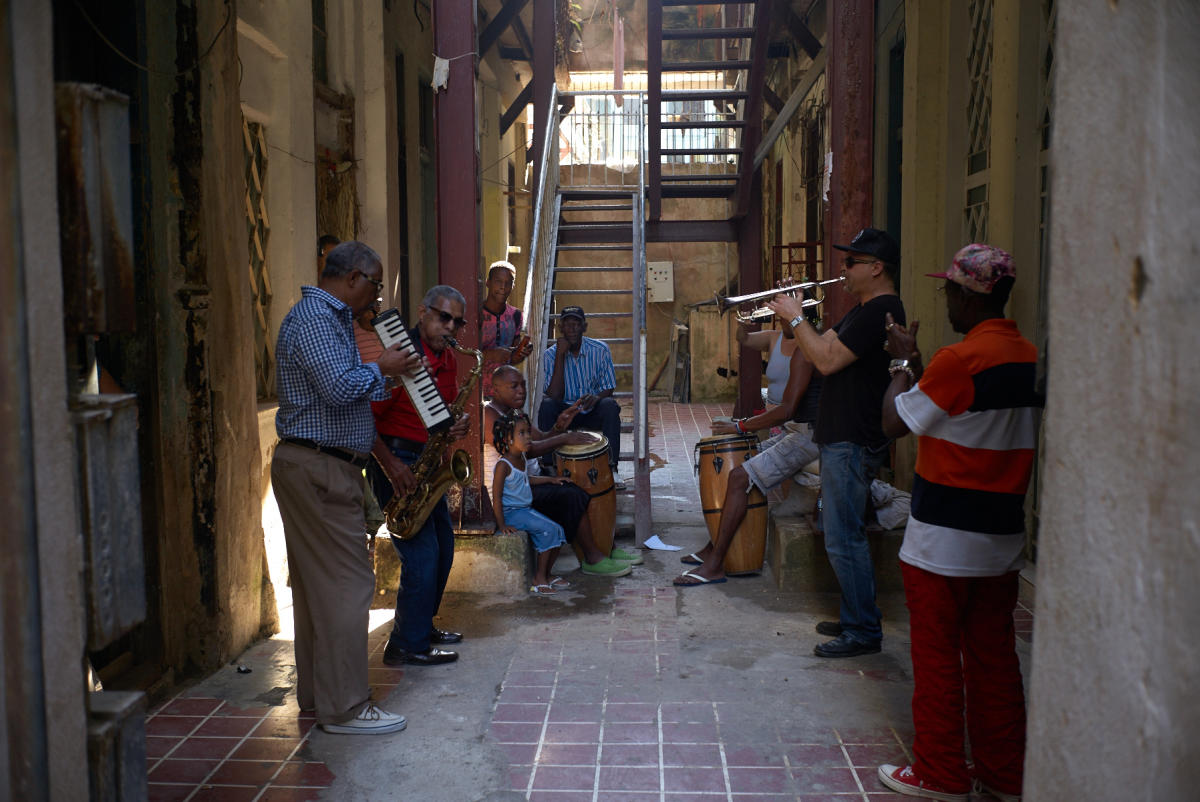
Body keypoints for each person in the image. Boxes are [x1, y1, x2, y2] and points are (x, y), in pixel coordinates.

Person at [875, 245, 1038, 802]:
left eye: (949, 290)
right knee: (995, 659)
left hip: (943, 540)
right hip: (1001, 537)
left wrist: (900, 363)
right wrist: (920, 365)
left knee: (938, 659)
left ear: (971, 297)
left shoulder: (960, 359)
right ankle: (1004, 773)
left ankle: (941, 773)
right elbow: (954, 409)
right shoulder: (1026, 357)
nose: (944, 298)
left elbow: (895, 422)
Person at [271, 240, 422, 735]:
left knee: (319, 591)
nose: (377, 297)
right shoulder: (316, 318)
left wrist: (391, 377)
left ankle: (320, 696)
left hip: (322, 465)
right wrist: (383, 367)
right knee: (348, 587)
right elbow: (339, 386)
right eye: (376, 285)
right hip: (318, 468)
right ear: (354, 278)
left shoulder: (331, 320)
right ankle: (347, 708)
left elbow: (349, 391)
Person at [767, 227, 906, 658]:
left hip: (852, 438)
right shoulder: (861, 310)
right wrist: (795, 316)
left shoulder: (881, 309)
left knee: (844, 537)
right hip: (840, 436)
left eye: (851, 262)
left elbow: (826, 361)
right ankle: (855, 615)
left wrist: (794, 317)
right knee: (842, 533)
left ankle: (864, 630)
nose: (842, 269)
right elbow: (816, 347)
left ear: (876, 267)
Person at [366, 285, 472, 667]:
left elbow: (439, 414)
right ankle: (405, 646)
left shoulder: (449, 360)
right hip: (394, 462)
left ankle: (419, 626)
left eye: (457, 322)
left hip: (425, 463)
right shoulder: (400, 358)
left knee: (443, 549)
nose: (451, 327)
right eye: (443, 317)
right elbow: (366, 421)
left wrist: (455, 425)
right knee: (422, 556)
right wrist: (391, 466)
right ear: (422, 312)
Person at [673, 319, 822, 586]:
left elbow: (787, 409)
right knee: (737, 467)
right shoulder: (796, 342)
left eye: (787, 314)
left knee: (740, 477)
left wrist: (740, 425)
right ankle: (714, 546)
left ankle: (716, 564)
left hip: (807, 435)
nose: (782, 320)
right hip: (793, 430)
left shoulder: (808, 349)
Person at [485, 364, 636, 576]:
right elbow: (524, 451)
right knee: (571, 494)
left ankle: (606, 548)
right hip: (515, 493)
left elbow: (539, 439)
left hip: (529, 481)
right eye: (514, 386)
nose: (521, 390)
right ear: (495, 390)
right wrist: (563, 438)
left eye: (523, 385)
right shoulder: (489, 415)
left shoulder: (515, 412)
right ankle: (592, 557)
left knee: (575, 480)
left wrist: (559, 426)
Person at [491, 412, 575, 595]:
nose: (528, 437)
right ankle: (538, 579)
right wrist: (502, 524)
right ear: (508, 439)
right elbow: (496, 497)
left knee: (559, 530)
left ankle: (548, 574)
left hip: (525, 510)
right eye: (522, 433)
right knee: (550, 531)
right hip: (513, 513)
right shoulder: (503, 466)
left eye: (528, 432)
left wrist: (550, 480)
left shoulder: (521, 458)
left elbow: (525, 479)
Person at [538, 305, 622, 482]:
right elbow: (554, 395)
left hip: (591, 409)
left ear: (585, 327)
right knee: (546, 406)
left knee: (610, 406)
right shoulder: (550, 355)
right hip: (565, 412)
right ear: (560, 328)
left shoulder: (600, 350)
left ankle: (612, 467)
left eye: (577, 324)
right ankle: (549, 467)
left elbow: (609, 386)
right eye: (567, 325)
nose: (572, 329)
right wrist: (560, 355)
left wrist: (597, 397)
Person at [480, 260, 533, 397]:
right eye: (498, 281)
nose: (503, 287)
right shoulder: (475, 313)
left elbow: (513, 359)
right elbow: (463, 351)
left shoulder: (516, 315)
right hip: (476, 390)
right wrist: (491, 354)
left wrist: (521, 353)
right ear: (488, 282)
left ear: (513, 286)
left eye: (508, 283)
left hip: (505, 394)